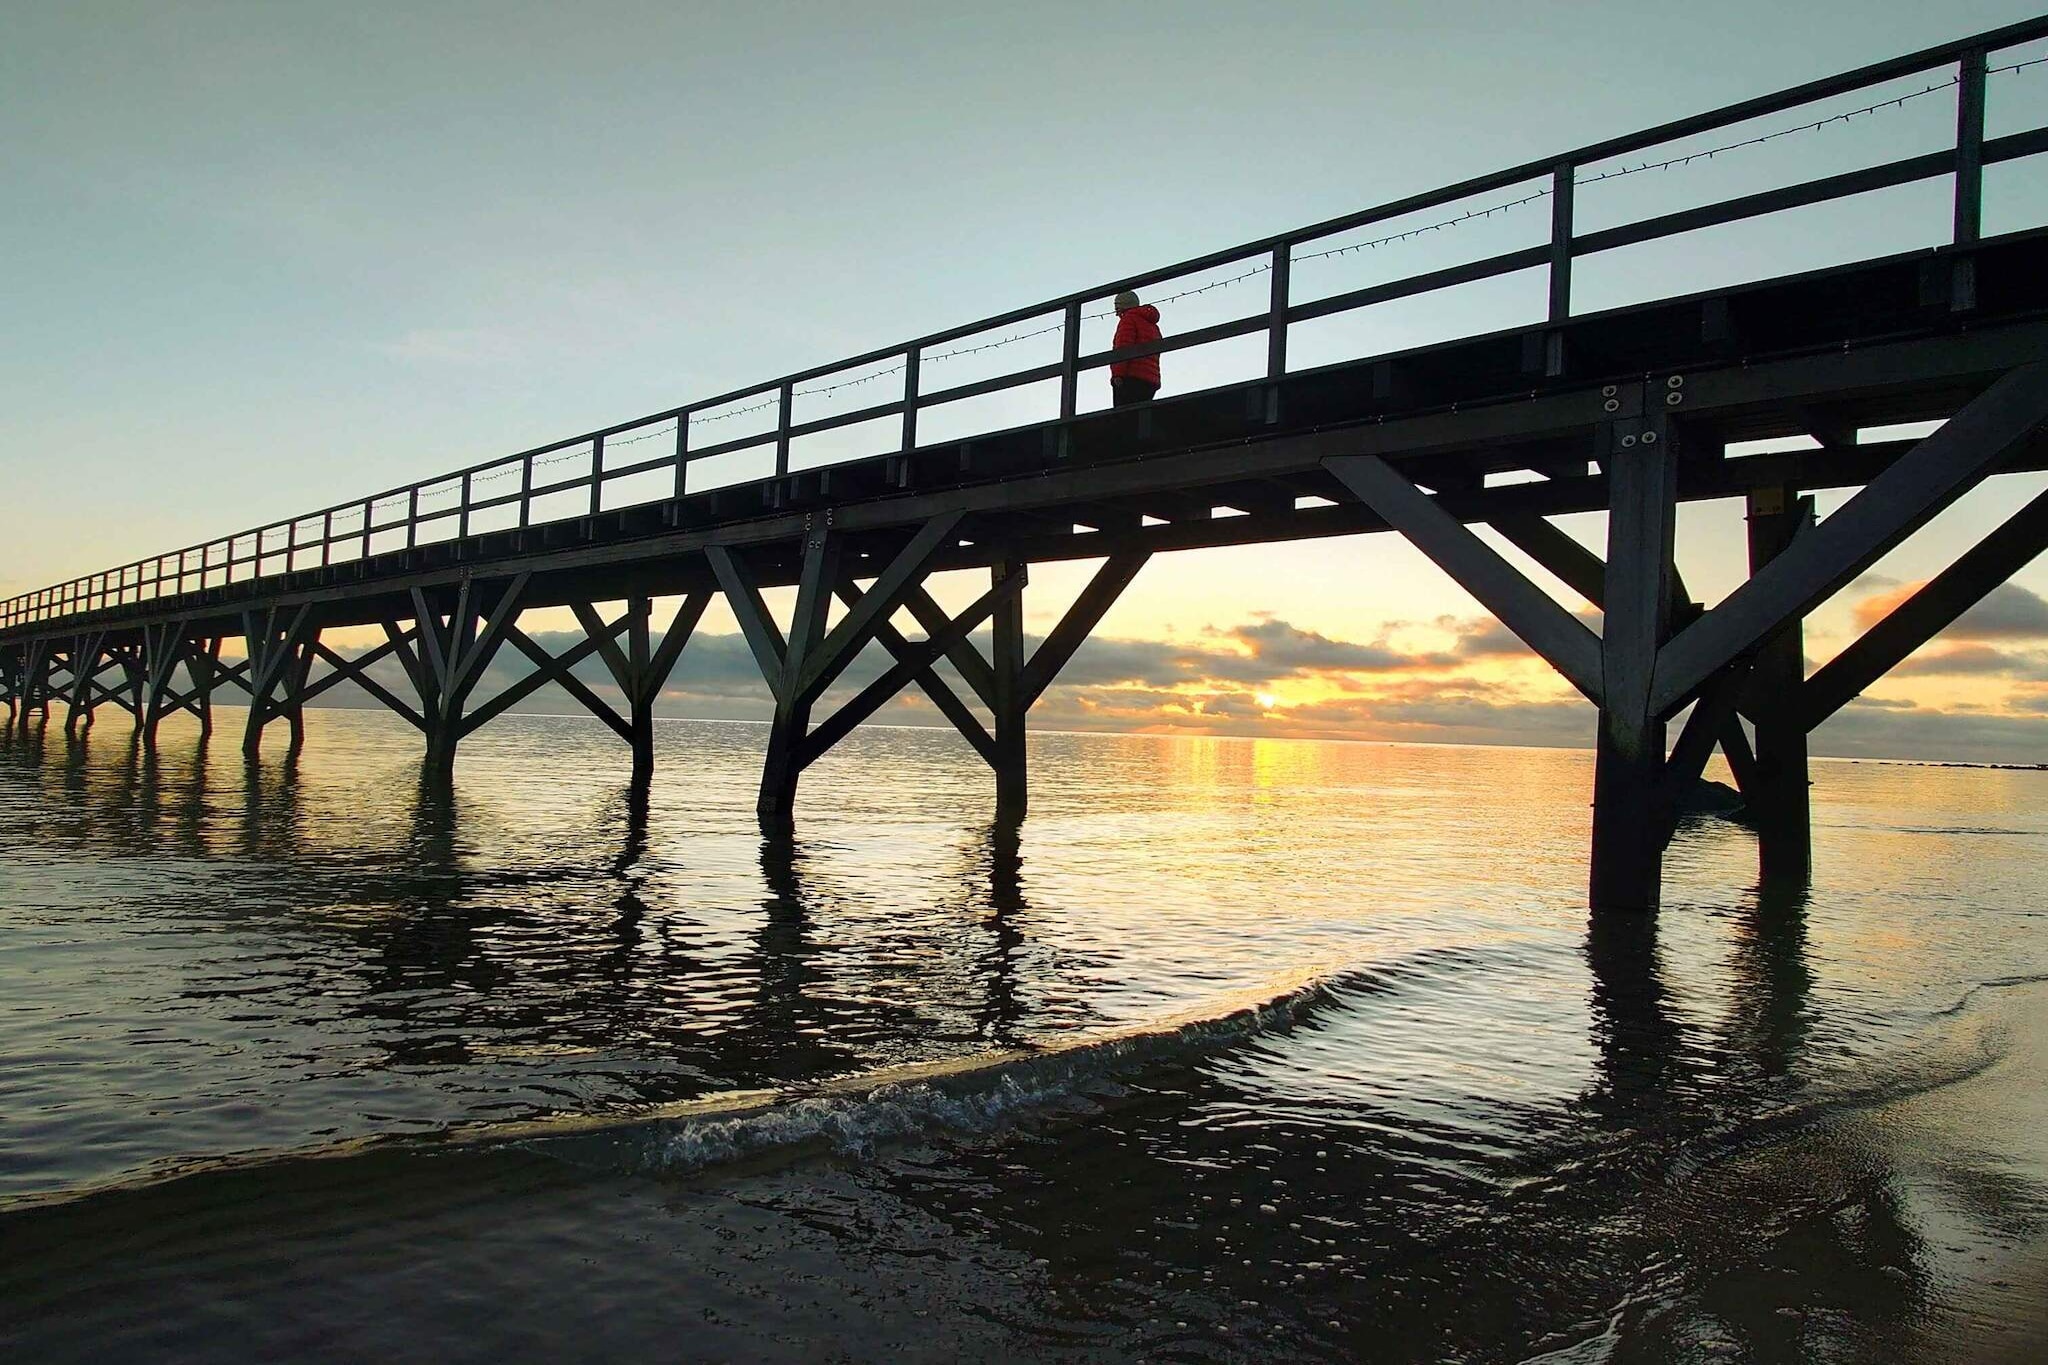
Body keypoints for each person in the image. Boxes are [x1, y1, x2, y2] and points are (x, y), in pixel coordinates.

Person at [1110, 290, 1161, 406]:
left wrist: (1118, 374)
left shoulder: (1128, 320)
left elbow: (1123, 348)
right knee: (1142, 417)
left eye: (1117, 305)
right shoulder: (1152, 325)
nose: (1116, 311)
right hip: (1151, 379)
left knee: (1124, 418)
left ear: (1125, 305)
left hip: (1130, 376)